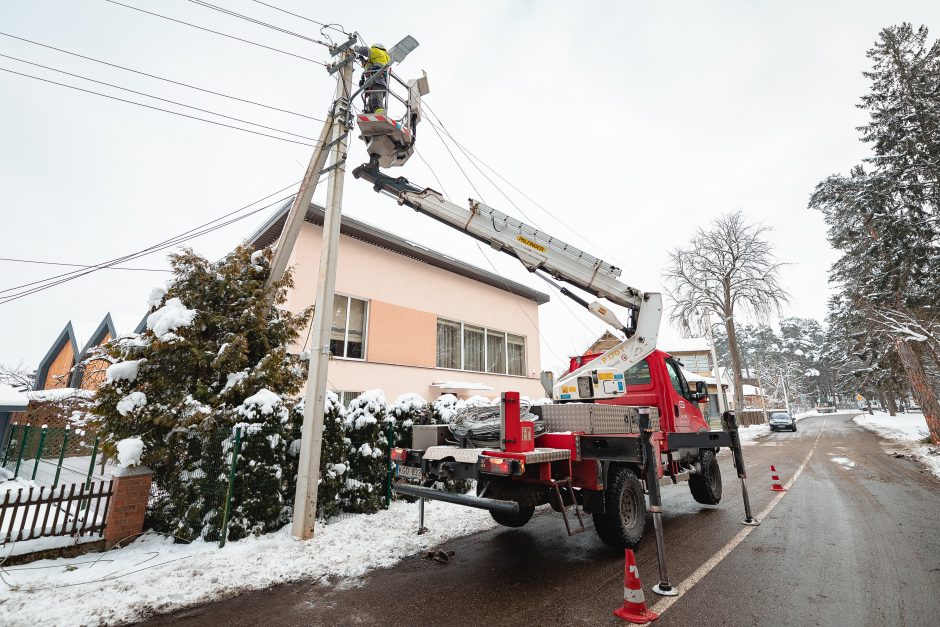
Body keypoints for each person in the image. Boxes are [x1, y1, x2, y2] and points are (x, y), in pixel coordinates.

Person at [354, 43, 390, 114]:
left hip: (377, 79)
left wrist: (355, 48)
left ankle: (379, 111)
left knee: (375, 98)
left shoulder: (377, 51)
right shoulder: (381, 57)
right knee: (372, 99)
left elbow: (365, 50)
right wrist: (362, 60)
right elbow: (368, 66)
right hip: (376, 80)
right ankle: (370, 112)